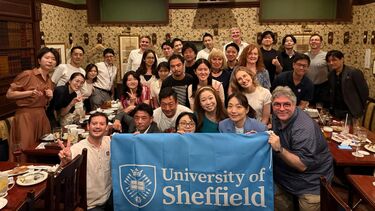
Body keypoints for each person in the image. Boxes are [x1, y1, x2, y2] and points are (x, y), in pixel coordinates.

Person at [268, 86, 333, 211]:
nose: (281, 109)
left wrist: (279, 149)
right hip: (285, 176)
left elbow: (302, 165)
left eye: (286, 104)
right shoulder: (277, 117)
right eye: (277, 104)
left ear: (295, 104)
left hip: (310, 182)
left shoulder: (303, 127)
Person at [7, 47, 60, 162]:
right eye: (47, 58)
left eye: (53, 59)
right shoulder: (28, 74)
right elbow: (9, 94)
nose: (50, 61)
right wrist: (29, 92)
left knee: (43, 148)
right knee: (25, 148)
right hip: (26, 116)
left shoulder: (50, 81)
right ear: (39, 60)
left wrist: (50, 97)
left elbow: (44, 102)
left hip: (41, 116)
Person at [58, 112, 112, 210]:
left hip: (110, 197)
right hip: (91, 205)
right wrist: (65, 162)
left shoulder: (108, 141)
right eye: (94, 124)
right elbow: (60, 176)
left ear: (107, 127)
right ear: (88, 126)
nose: (97, 127)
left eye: (102, 124)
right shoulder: (77, 148)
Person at [326, 50, 369, 120]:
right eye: (329, 61)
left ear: (342, 59)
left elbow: (364, 92)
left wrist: (360, 108)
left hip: (351, 111)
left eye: (334, 60)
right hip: (336, 111)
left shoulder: (353, 72)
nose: (331, 63)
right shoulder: (330, 75)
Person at [305, 34, 330, 107]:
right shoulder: (305, 55)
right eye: (312, 40)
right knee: (308, 108)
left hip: (322, 87)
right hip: (308, 86)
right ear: (309, 42)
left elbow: (331, 71)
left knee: (320, 109)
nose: (314, 41)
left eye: (316, 40)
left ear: (321, 42)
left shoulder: (326, 55)